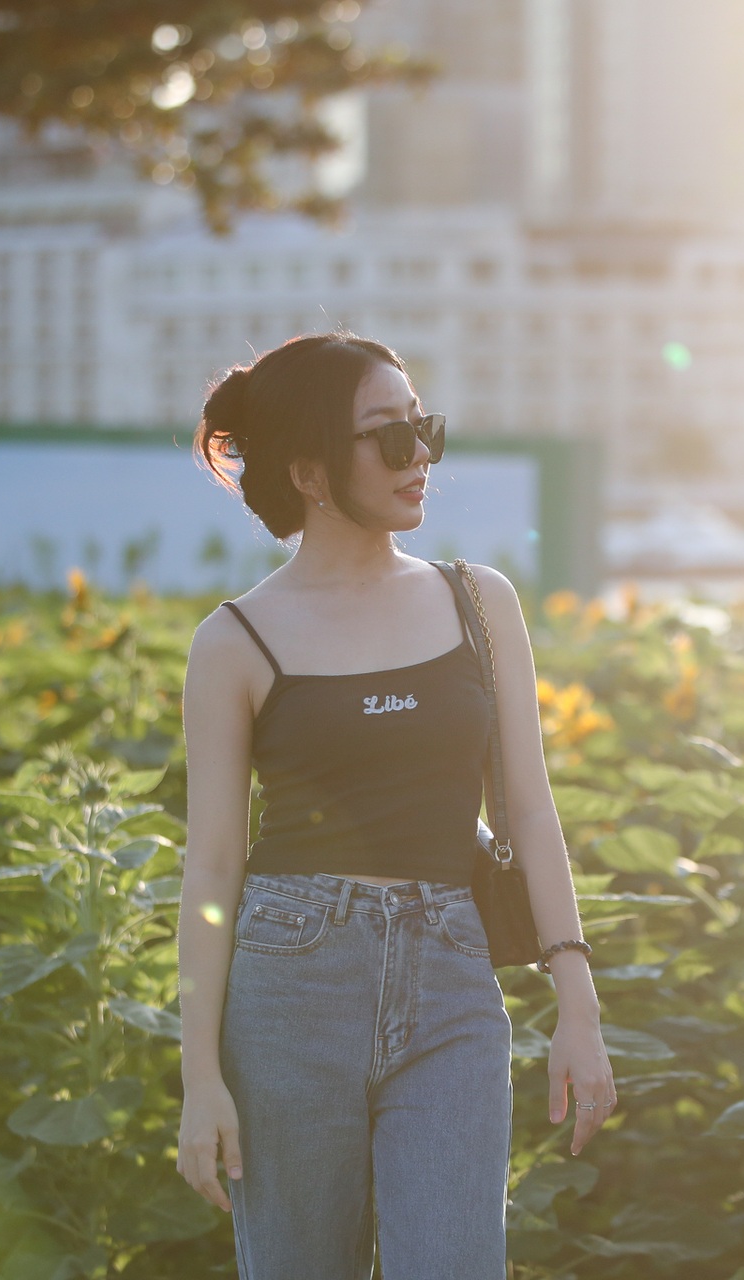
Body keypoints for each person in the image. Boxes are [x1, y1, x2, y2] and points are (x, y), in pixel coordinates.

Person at [173, 331, 615, 1279]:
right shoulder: (236, 641)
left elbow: (529, 810)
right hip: (290, 984)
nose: (422, 459)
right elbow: (211, 864)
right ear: (311, 471)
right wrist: (198, 1075)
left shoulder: (478, 603)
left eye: (425, 430)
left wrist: (575, 1001)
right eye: (390, 438)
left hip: (452, 977)